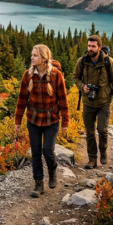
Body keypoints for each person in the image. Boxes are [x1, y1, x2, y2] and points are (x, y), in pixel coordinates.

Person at [14, 44, 69, 198]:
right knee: (36, 153)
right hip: (33, 118)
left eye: (35, 55)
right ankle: (39, 183)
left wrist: (65, 122)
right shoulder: (28, 75)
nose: (32, 58)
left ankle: (52, 170)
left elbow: (63, 100)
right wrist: (17, 120)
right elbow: (22, 100)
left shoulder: (56, 75)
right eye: (32, 55)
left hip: (52, 119)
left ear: (44, 58)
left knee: (48, 151)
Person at [73, 35, 113, 169]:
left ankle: (104, 153)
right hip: (88, 102)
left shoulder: (108, 62)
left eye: (93, 46)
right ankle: (92, 159)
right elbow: (75, 77)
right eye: (89, 46)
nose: (90, 48)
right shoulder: (82, 61)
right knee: (89, 132)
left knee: (102, 130)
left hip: (104, 102)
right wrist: (82, 86)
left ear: (99, 47)